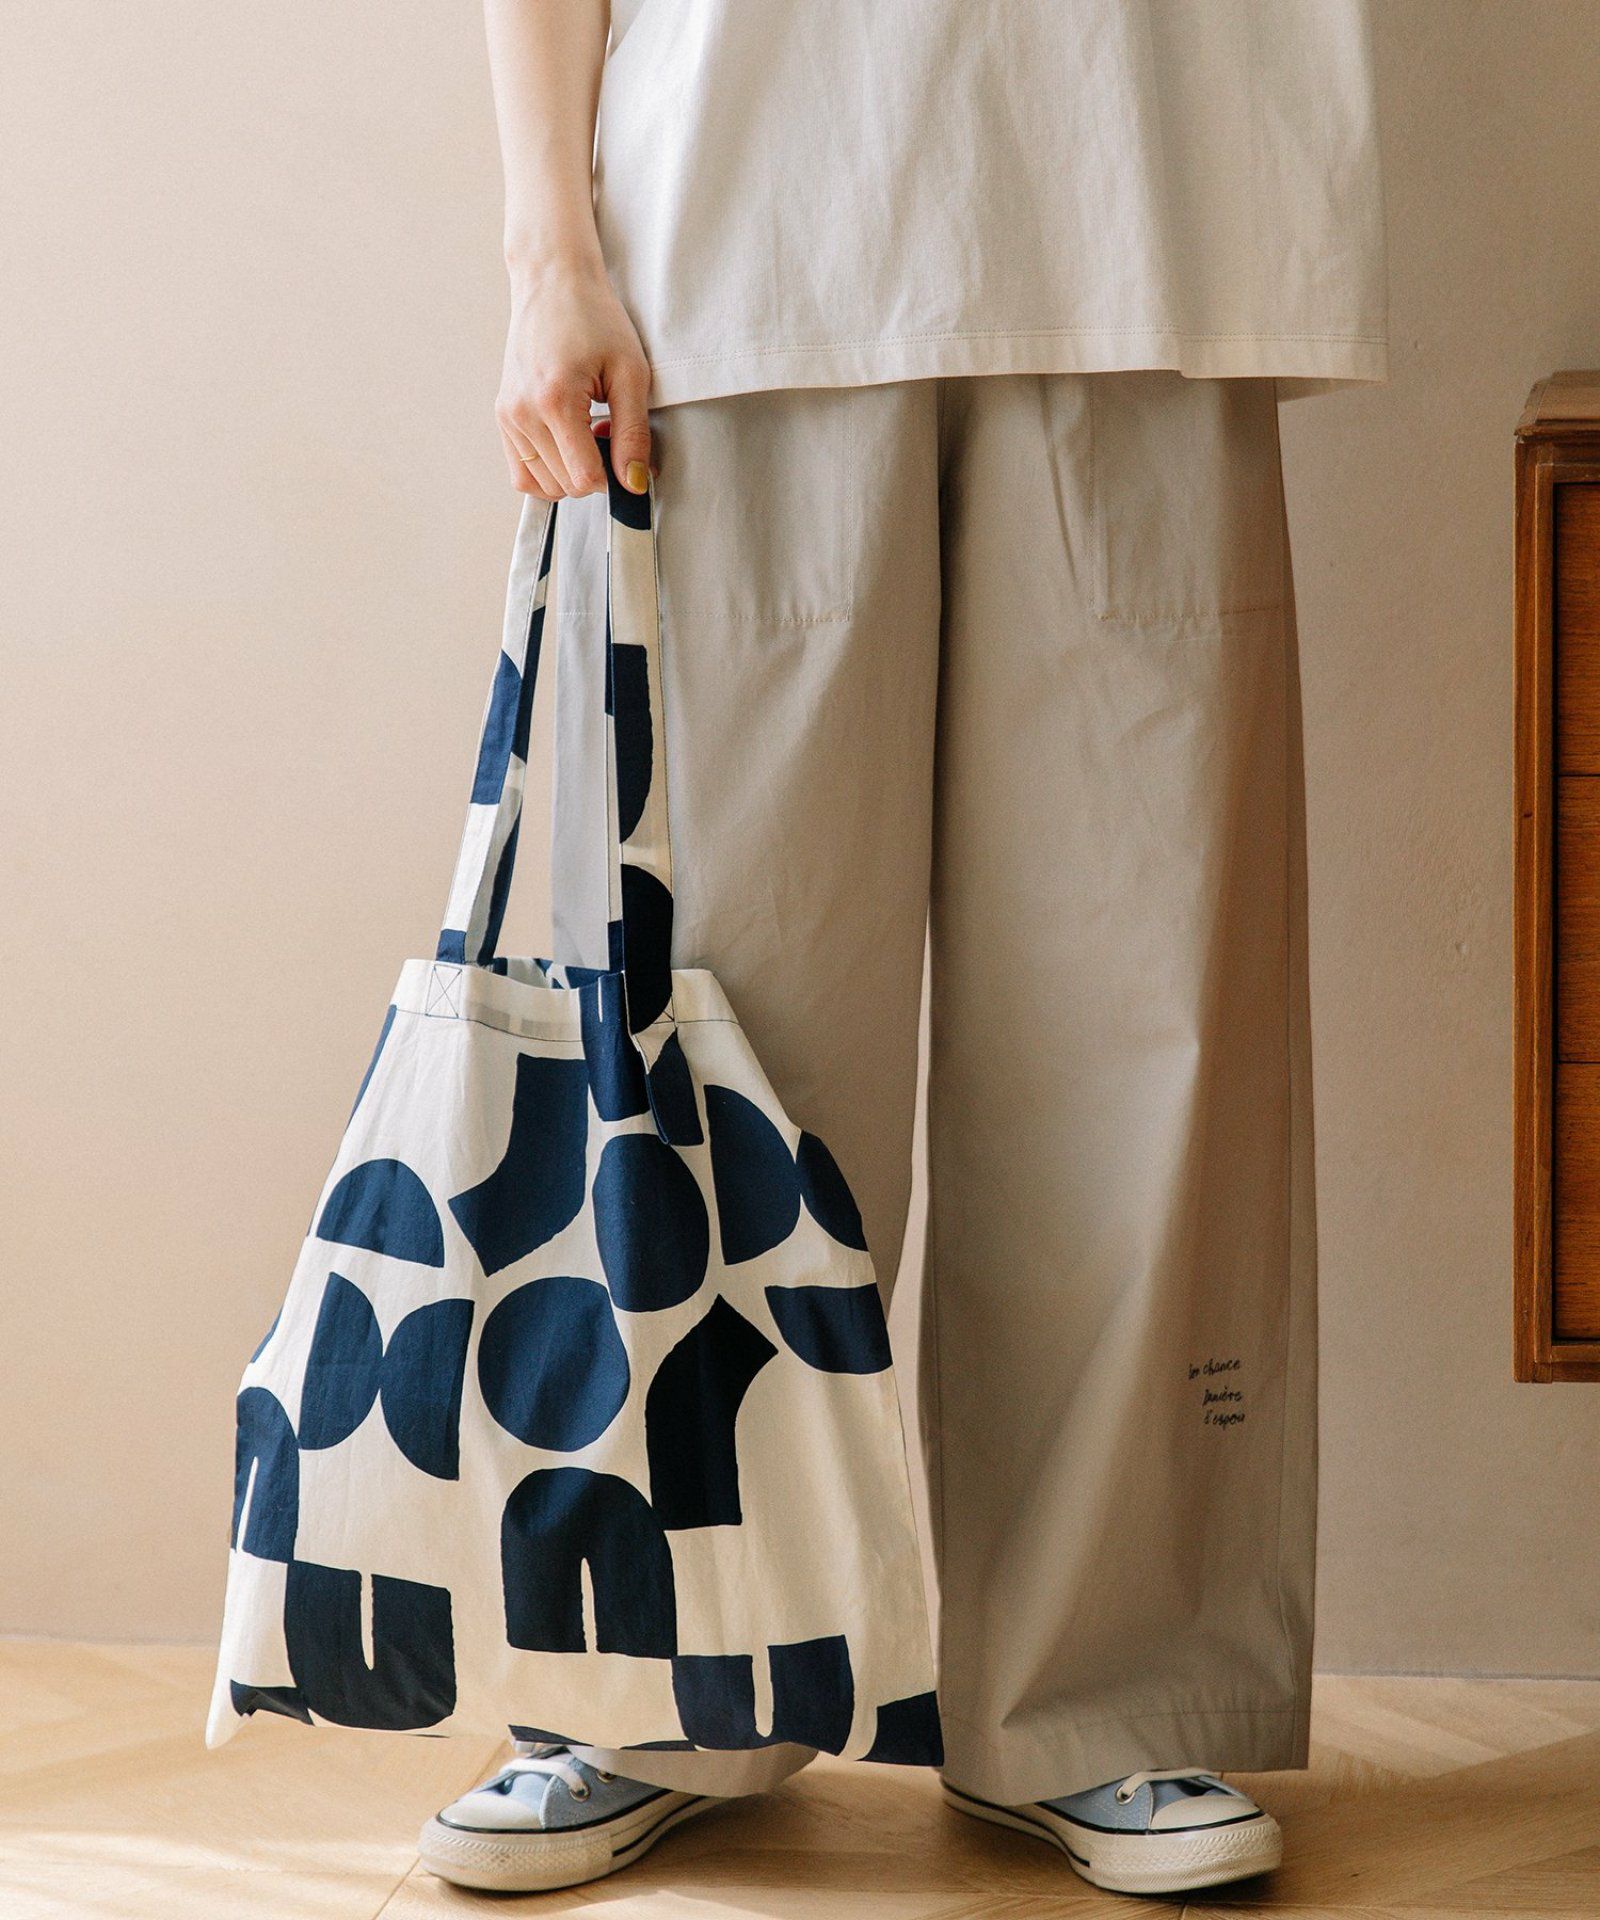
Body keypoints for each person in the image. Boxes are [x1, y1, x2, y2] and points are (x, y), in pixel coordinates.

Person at [419, 0, 1387, 1897]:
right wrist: (548, 251)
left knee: (1141, 1034)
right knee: (708, 1026)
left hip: (1149, 221)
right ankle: (670, 1683)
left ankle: (1108, 1697)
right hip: (732, 251)